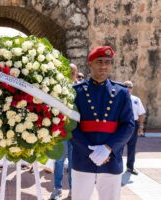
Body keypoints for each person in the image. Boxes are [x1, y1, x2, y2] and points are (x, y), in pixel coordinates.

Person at [71, 46, 135, 200]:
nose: (104, 66)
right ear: (90, 64)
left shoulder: (122, 92)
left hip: (111, 159)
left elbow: (128, 125)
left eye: (108, 62)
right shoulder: (76, 91)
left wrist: (107, 149)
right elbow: (70, 126)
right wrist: (90, 151)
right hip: (83, 159)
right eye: (99, 62)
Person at [49, 63, 76, 199]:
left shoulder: (80, 89)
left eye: (73, 72)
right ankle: (57, 189)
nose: (71, 74)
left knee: (73, 162)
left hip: (76, 134)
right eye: (68, 71)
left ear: (76, 74)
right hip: (60, 132)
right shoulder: (57, 88)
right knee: (59, 161)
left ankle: (72, 190)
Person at [123, 80, 146, 175]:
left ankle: (130, 167)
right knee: (117, 146)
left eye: (130, 87)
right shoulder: (118, 98)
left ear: (132, 89)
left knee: (132, 147)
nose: (128, 88)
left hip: (133, 124)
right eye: (126, 86)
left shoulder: (136, 100)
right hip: (121, 124)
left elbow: (141, 114)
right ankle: (115, 167)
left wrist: (141, 126)